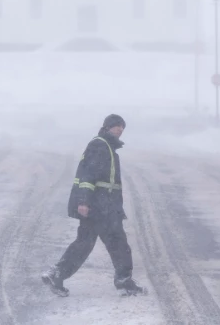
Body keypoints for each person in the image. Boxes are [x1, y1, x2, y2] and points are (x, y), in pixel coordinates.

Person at [41, 114, 147, 297]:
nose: (120, 130)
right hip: (100, 207)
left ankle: (56, 274)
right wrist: (83, 201)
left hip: (104, 206)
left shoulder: (107, 147)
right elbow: (87, 176)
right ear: (107, 127)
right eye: (116, 126)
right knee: (117, 243)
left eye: (122, 127)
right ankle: (123, 281)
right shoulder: (100, 145)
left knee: (86, 243)